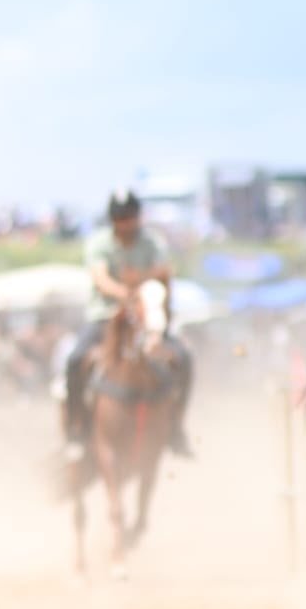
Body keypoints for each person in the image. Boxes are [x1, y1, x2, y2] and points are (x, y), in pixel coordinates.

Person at [63, 192, 193, 459]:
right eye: (120, 218)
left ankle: (176, 427)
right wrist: (129, 291)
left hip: (147, 320)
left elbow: (163, 273)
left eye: (129, 217)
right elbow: (101, 280)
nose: (125, 223)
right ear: (113, 220)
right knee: (75, 360)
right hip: (106, 318)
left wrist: (140, 288)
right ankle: (76, 428)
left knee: (184, 360)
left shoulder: (152, 242)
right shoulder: (99, 243)